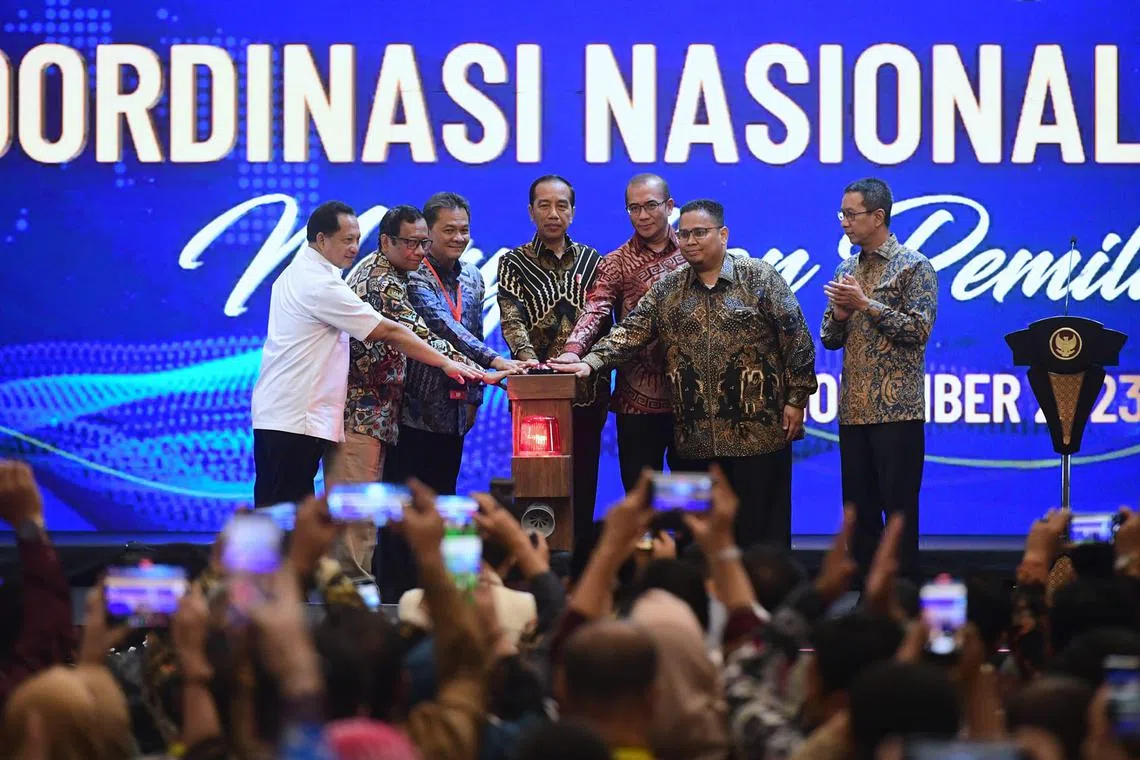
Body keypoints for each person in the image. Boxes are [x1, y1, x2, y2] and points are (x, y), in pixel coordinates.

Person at [552, 199, 817, 549]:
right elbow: (629, 333)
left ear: (723, 234)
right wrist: (589, 362)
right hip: (696, 442)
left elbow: (797, 339)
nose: (690, 241)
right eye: (685, 234)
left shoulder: (759, 276)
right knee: (700, 542)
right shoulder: (668, 288)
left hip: (759, 434)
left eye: (700, 233)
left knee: (762, 540)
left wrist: (796, 399)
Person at [249, 200, 484, 507]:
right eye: (347, 239)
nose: (354, 248)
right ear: (321, 239)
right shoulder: (319, 284)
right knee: (289, 513)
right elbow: (389, 331)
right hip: (296, 416)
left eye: (358, 239)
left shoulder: (302, 273)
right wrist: (447, 363)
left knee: (278, 508)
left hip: (283, 413)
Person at [820, 177, 937, 583]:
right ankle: (865, 595)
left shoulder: (914, 266)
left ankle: (901, 595)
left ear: (878, 216)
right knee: (859, 511)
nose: (844, 223)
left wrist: (865, 304)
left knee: (899, 511)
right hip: (854, 411)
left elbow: (917, 331)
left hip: (897, 412)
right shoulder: (845, 268)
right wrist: (840, 315)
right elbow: (829, 338)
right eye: (842, 215)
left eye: (851, 215)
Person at [384, 192, 530, 495]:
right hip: (412, 414)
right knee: (405, 506)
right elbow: (445, 327)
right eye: (449, 230)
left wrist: (474, 398)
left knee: (444, 499)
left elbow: (474, 334)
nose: (459, 238)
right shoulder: (413, 274)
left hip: (456, 414)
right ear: (427, 232)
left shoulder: (473, 277)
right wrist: (495, 361)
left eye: (464, 230)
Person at [497, 175, 610, 550]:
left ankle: (581, 560)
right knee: (538, 482)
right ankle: (537, 558)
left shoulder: (594, 262)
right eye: (544, 205)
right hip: (536, 398)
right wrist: (534, 367)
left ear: (573, 212)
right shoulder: (513, 262)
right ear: (530, 211)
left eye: (562, 205)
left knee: (584, 479)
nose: (553, 213)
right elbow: (512, 321)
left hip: (587, 393)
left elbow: (602, 322)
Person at [556, 174, 687, 491]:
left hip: (691, 400)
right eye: (634, 208)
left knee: (694, 498)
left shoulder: (693, 251)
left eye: (651, 205)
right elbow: (596, 308)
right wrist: (573, 351)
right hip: (636, 403)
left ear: (669, 206)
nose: (642, 215)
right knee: (640, 499)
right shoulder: (616, 262)